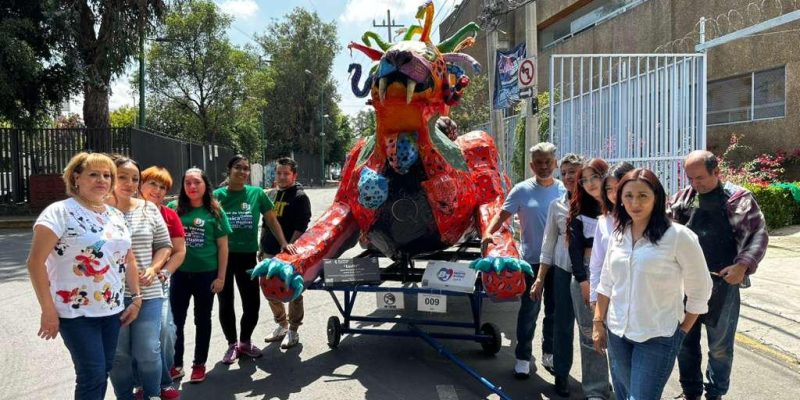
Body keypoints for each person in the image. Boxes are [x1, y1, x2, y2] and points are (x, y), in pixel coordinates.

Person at [26, 152, 142, 400]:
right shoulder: (59, 212)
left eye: (107, 175)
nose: (102, 180)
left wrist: (136, 297)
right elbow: (35, 263)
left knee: (103, 370)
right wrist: (48, 310)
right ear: (76, 178)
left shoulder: (115, 215)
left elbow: (128, 258)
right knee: (92, 374)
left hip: (111, 309)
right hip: (75, 312)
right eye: (93, 174)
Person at [593, 168, 712, 400]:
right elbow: (606, 282)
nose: (635, 203)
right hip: (617, 333)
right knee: (623, 395)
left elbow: (700, 289)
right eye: (628, 196)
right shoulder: (619, 234)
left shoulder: (678, 236)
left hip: (657, 336)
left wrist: (681, 332)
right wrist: (598, 322)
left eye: (643, 195)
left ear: (656, 198)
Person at [669, 150, 769, 400]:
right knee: (684, 343)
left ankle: (715, 393)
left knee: (720, 348)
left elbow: (758, 234)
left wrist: (742, 266)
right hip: (686, 285)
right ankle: (691, 391)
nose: (695, 184)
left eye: (700, 178)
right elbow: (666, 230)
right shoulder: (682, 199)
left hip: (723, 284)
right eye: (690, 178)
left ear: (716, 172)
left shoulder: (737, 199)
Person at [481, 142, 567, 379]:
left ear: (555, 163)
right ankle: (522, 357)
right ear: (531, 165)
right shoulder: (521, 190)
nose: (544, 166)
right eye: (539, 162)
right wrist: (488, 232)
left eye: (548, 162)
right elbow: (502, 215)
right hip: (532, 262)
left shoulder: (564, 190)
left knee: (554, 311)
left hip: (559, 262)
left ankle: (549, 353)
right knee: (529, 311)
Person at [213, 155, 296, 363]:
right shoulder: (216, 196)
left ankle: (245, 341)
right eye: (238, 167)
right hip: (222, 258)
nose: (242, 172)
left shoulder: (256, 193)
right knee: (225, 302)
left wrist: (284, 242)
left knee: (252, 303)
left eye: (246, 168)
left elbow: (271, 220)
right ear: (229, 170)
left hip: (247, 257)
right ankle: (232, 345)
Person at [105, 157, 172, 400]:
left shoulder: (148, 209)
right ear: (110, 176)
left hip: (148, 291)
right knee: (118, 354)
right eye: (122, 177)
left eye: (135, 178)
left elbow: (165, 245)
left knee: (148, 350)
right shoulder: (97, 210)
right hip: (110, 296)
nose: (130, 183)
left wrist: (154, 267)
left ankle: (153, 394)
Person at [167, 168, 232, 383]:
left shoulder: (215, 211)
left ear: (205, 185)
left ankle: (199, 364)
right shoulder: (173, 208)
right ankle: (176, 364)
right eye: (188, 183)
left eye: (197, 182)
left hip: (206, 276)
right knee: (175, 321)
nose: (192, 187)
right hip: (179, 275)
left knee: (202, 320)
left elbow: (223, 247)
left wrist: (221, 277)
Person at [530, 153, 583, 397]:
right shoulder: (557, 205)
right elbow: (548, 243)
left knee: (593, 328)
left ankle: (597, 382)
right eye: (565, 173)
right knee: (562, 324)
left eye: (574, 172)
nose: (569, 177)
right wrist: (540, 278)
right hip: (563, 271)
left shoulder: (598, 203)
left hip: (591, 274)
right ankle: (561, 375)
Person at [138, 166, 186, 398]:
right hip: (128, 283)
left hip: (158, 281)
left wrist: (165, 272)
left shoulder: (169, 215)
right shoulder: (122, 211)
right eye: (152, 184)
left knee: (166, 330)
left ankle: (164, 375)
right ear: (141, 185)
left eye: (163, 187)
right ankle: (141, 382)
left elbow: (179, 251)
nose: (157, 190)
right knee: (135, 338)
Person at [566, 158, 611, 400]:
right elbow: (575, 250)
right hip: (586, 275)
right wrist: (583, 281)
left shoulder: (620, 207)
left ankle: (622, 386)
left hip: (617, 276)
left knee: (619, 334)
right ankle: (596, 390)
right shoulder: (579, 210)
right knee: (589, 334)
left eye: (595, 177)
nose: (590, 183)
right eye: (584, 180)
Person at [260, 157, 312, 349]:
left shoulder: (300, 196)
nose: (282, 177)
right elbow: (265, 223)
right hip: (268, 252)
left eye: (286, 173)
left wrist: (289, 247)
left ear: (294, 175)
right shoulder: (271, 194)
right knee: (269, 290)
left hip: (288, 255)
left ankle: (293, 330)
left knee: (293, 292)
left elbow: (302, 225)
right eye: (279, 173)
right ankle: (282, 325)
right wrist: (261, 247)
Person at [588, 162, 635, 304]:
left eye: (618, 187)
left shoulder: (643, 219)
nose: (614, 194)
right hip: (611, 296)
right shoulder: (604, 221)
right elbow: (596, 264)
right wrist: (594, 298)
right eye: (609, 189)